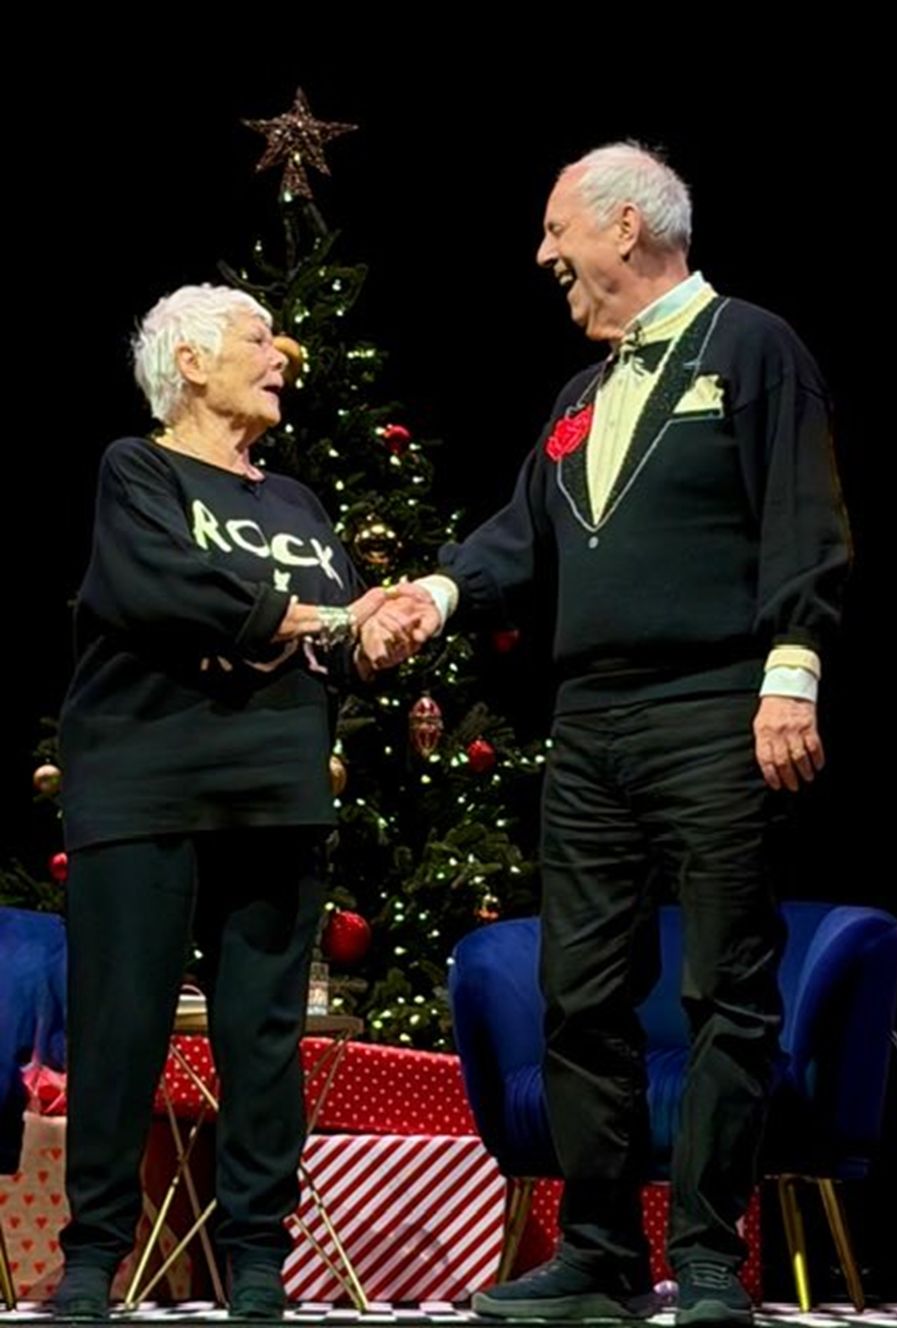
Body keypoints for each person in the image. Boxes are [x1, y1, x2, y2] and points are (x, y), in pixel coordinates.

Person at [392, 142, 852, 1325]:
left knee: (722, 987)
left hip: (713, 700)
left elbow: (802, 513)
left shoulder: (748, 345)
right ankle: (597, 1250)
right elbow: (517, 534)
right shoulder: (578, 396)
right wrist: (432, 596)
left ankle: (704, 1254)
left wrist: (787, 673)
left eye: (558, 229)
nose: (544, 254)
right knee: (578, 990)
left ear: (627, 227)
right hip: (589, 717)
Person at [53, 284, 415, 1320]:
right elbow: (155, 588)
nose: (282, 355)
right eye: (258, 339)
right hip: (144, 783)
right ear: (192, 362)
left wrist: (372, 636)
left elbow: (342, 637)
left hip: (275, 786)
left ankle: (257, 1253)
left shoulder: (295, 504)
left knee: (263, 1034)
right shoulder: (140, 469)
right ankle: (95, 1256)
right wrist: (313, 616)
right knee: (120, 1022)